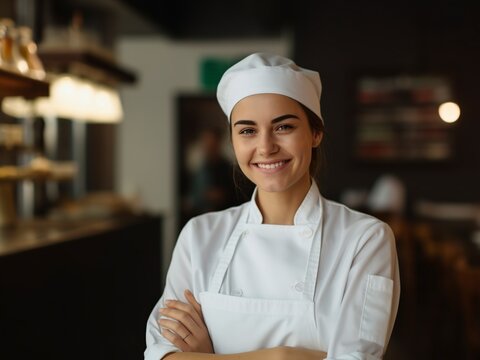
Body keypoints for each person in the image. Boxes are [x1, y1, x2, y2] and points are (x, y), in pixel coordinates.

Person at [145, 53, 400, 360]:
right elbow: (161, 354)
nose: (265, 147)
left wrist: (209, 356)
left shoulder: (365, 240)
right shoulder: (199, 235)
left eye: (283, 127)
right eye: (247, 131)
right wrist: (279, 356)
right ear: (233, 141)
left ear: (315, 133)